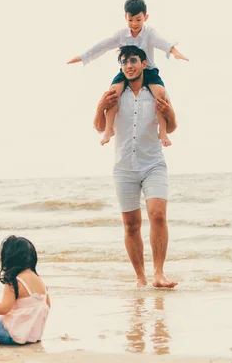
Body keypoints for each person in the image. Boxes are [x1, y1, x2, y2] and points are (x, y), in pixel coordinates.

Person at [94, 45, 178, 288]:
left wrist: (170, 113)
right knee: (131, 225)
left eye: (133, 60)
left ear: (143, 64)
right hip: (124, 167)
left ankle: (159, 274)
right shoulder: (114, 93)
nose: (128, 65)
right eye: (124, 62)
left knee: (158, 214)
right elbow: (100, 126)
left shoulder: (157, 91)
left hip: (153, 163)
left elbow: (171, 127)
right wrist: (100, 106)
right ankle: (140, 278)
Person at [68, 0, 188, 146]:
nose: (134, 24)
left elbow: (161, 42)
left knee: (160, 94)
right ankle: (108, 130)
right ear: (125, 17)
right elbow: (103, 46)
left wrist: (175, 52)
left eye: (138, 19)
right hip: (127, 71)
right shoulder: (121, 34)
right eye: (130, 20)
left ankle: (162, 131)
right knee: (112, 93)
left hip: (149, 71)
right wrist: (83, 56)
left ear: (146, 17)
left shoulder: (149, 33)